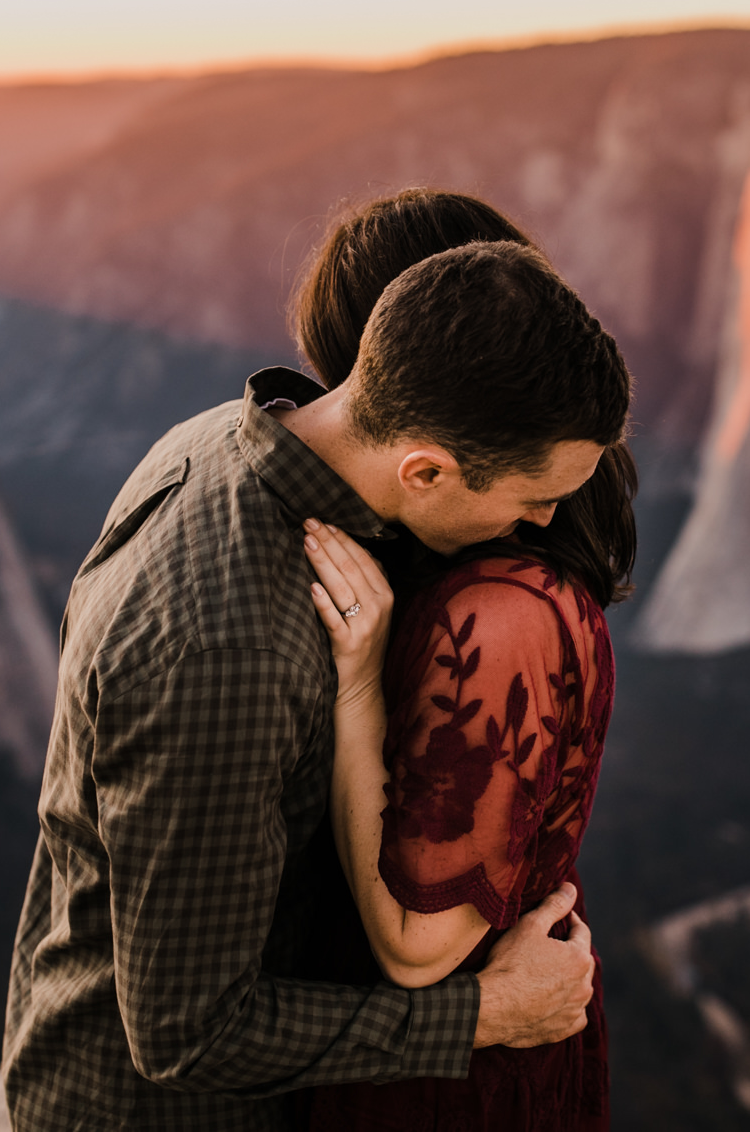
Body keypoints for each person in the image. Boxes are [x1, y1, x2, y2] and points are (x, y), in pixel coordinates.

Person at [2, 228, 633, 1130]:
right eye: (535, 496)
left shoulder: (215, 438)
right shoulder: (232, 650)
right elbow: (189, 1031)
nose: (545, 521)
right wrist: (487, 1012)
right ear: (425, 469)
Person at [287, 189, 635, 1130]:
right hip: (410, 1048)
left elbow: (414, 945)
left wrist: (358, 687)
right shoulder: (466, 567)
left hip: (453, 1078)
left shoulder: (500, 614)